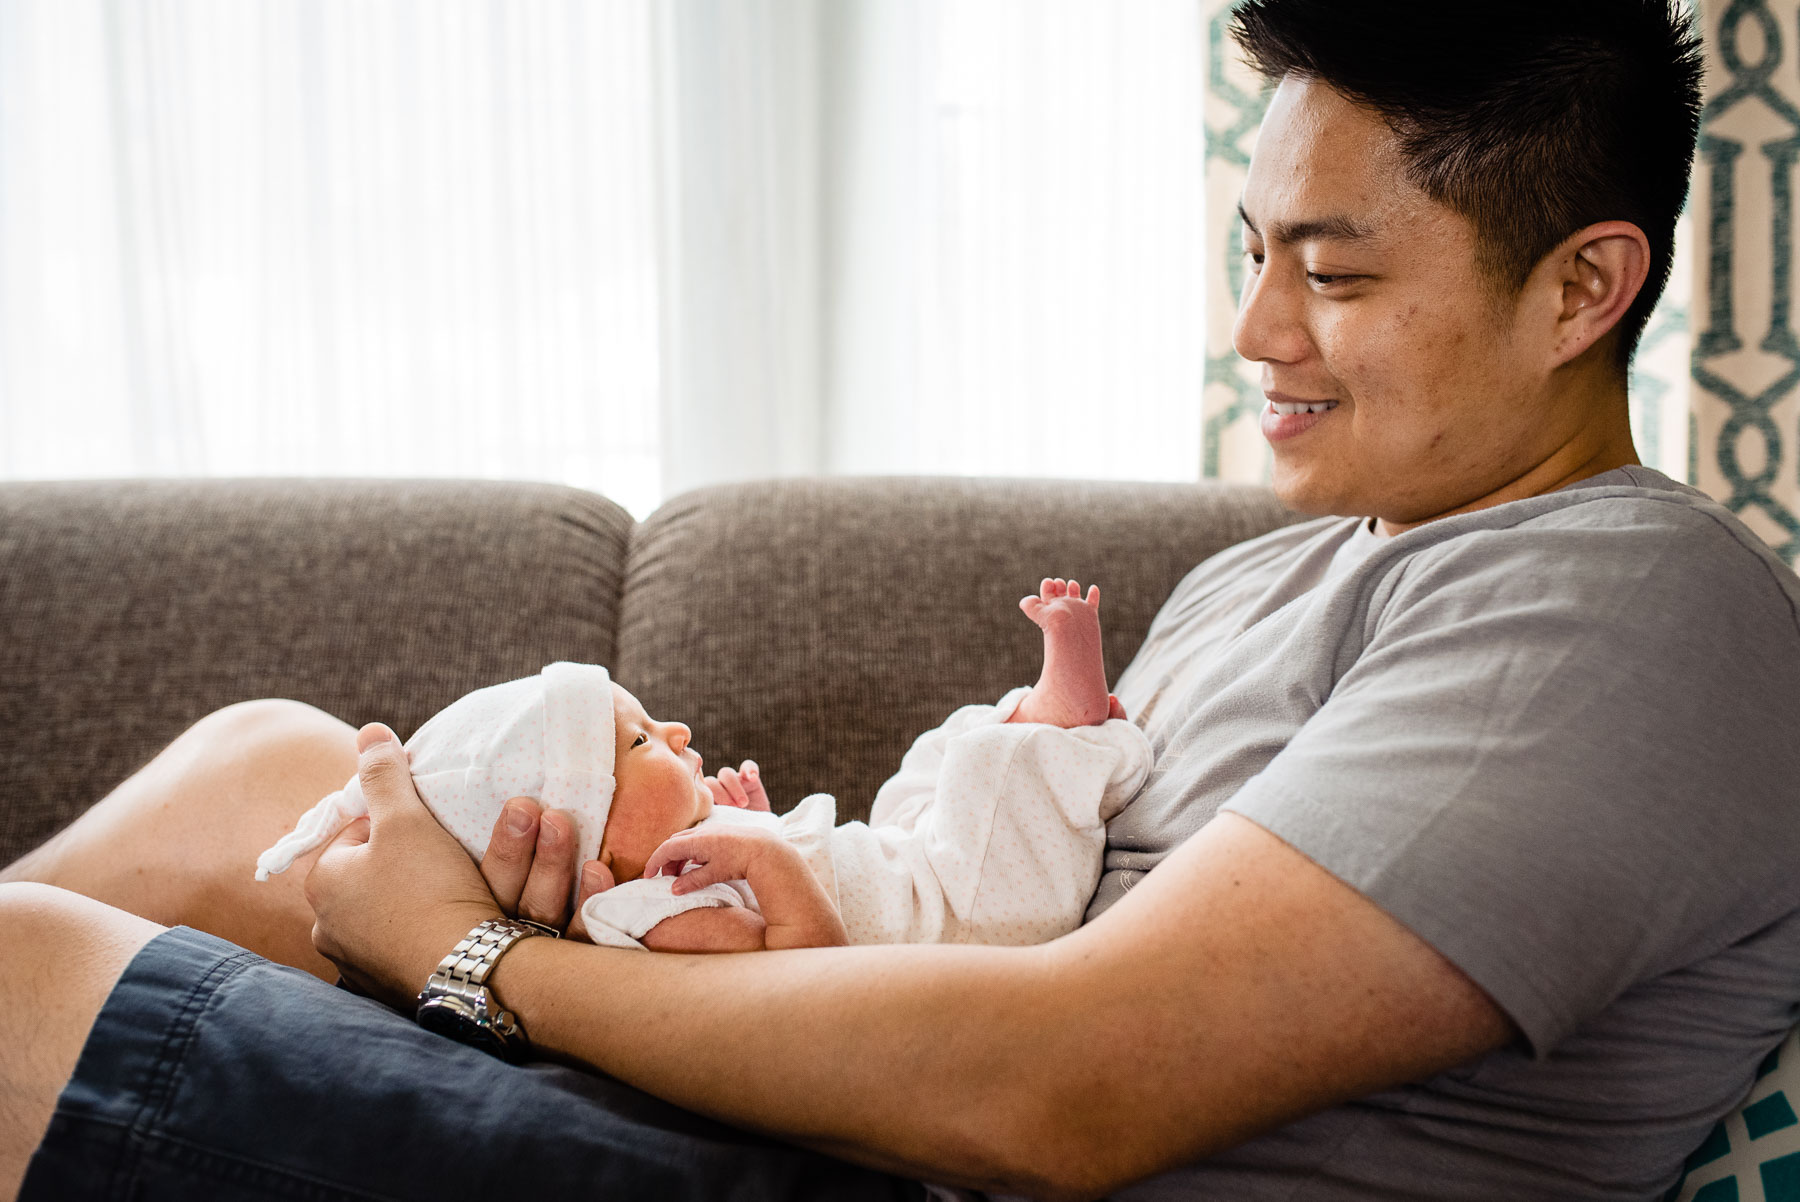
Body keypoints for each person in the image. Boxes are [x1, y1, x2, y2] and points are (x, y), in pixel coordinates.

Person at [5, 0, 1796, 1198]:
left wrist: (470, 959)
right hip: (847, 1143)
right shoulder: (1277, 579)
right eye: (1256, 255)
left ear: (1583, 290)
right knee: (273, 767)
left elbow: (1073, 1084)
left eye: (1331, 276)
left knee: (25, 983)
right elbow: (984, 912)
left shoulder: (1627, 614)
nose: (1257, 333)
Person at [252, 582, 1148, 953]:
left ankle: (1041, 721)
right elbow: (799, 979)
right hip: (950, 925)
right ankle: (1062, 710)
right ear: (587, 829)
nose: (676, 729)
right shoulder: (639, 913)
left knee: (928, 766)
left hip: (892, 858)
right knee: (985, 773)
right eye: (641, 743)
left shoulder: (674, 863)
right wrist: (771, 862)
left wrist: (759, 822)